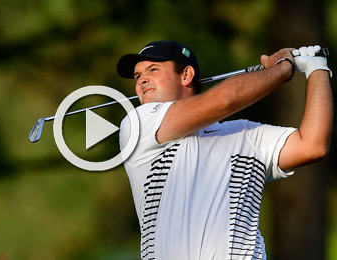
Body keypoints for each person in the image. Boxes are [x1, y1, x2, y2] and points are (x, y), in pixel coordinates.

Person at [117, 40, 333, 259]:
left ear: (186, 75)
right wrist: (283, 68)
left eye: (153, 70)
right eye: (137, 76)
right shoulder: (137, 125)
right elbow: (224, 100)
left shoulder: (245, 135)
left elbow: (312, 145)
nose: (142, 80)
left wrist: (317, 69)